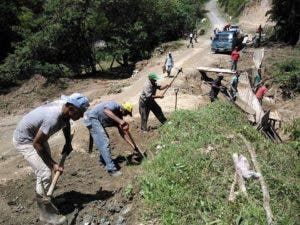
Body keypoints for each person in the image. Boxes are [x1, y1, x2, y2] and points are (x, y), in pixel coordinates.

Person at [13, 93, 90, 225]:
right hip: (26, 140)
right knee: (45, 172)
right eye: (81, 112)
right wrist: (54, 164)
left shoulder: (65, 110)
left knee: (44, 171)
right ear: (71, 109)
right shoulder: (52, 117)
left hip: (37, 137)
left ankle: (49, 198)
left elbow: (66, 122)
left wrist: (68, 143)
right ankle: (45, 214)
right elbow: (36, 144)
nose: (82, 116)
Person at [83, 101, 139, 177]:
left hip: (96, 120)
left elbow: (123, 133)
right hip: (92, 118)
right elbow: (106, 110)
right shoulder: (114, 105)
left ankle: (103, 160)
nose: (126, 115)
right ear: (123, 110)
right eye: (126, 113)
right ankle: (112, 169)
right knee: (104, 141)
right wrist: (120, 121)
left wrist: (134, 147)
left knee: (104, 140)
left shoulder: (119, 117)